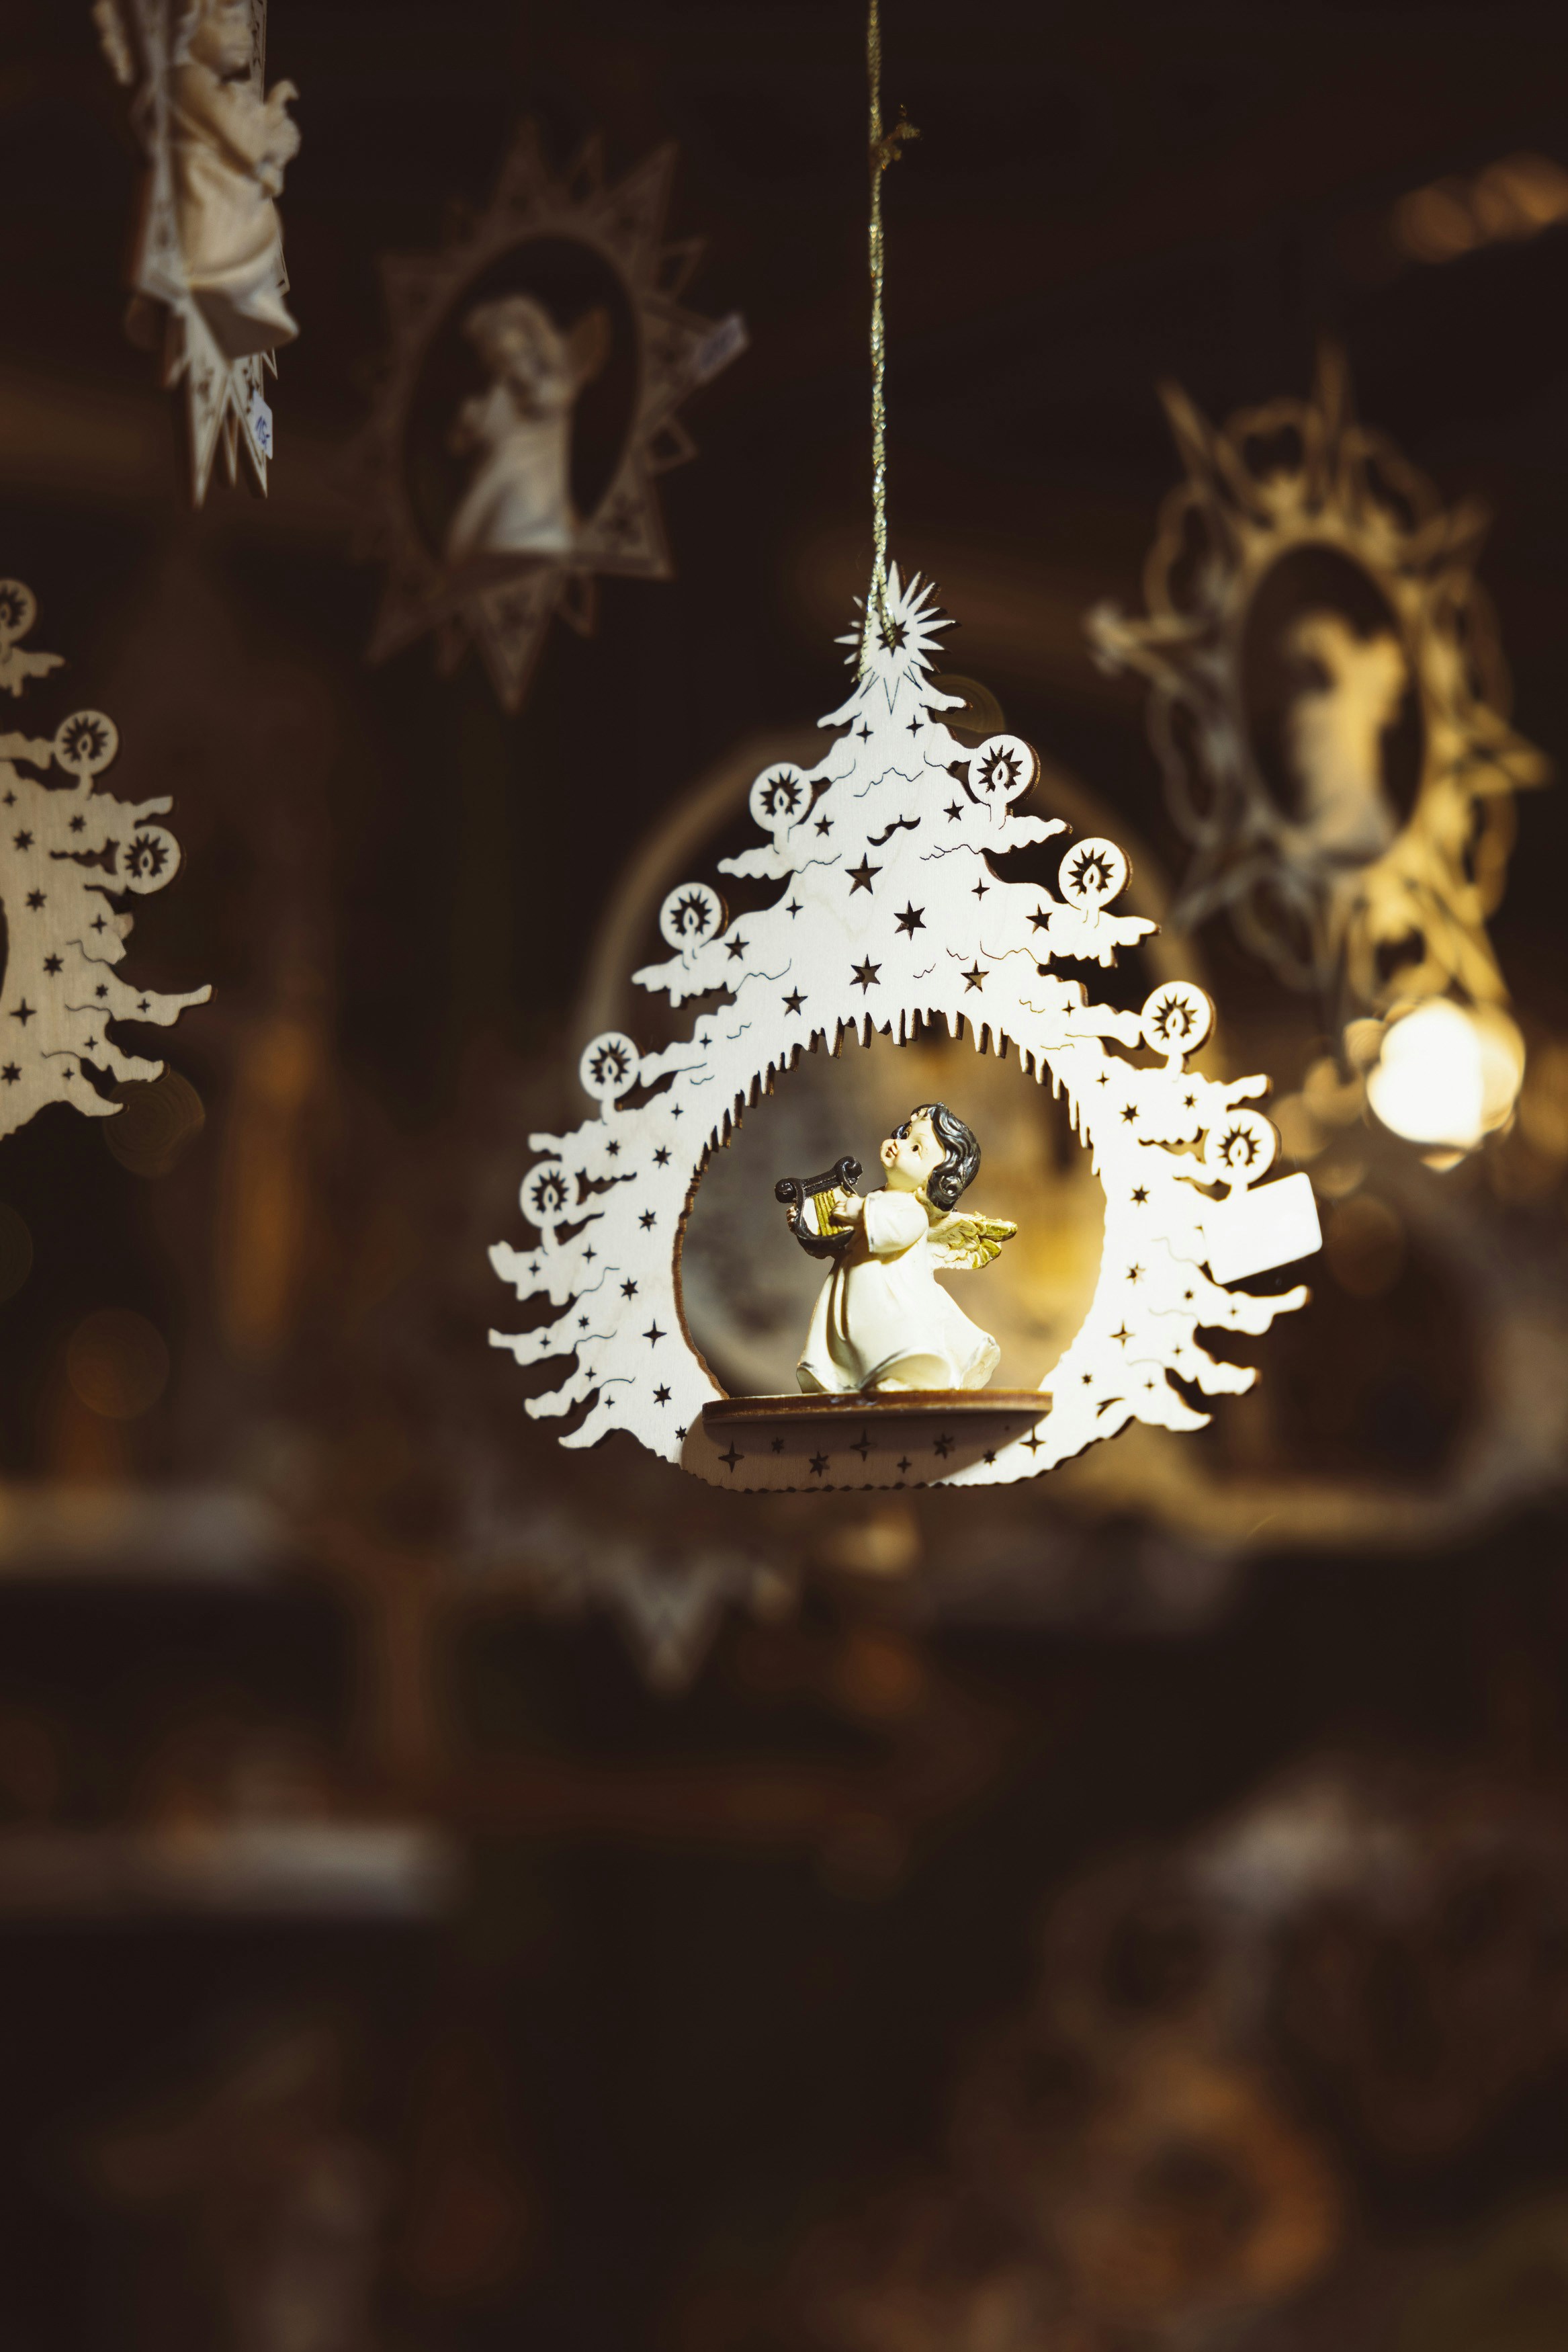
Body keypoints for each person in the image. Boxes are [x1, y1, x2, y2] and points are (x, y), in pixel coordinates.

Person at [795, 1103, 1011, 1394]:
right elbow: (838, 1237)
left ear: (936, 1178)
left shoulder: (914, 1211)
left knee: (880, 1332)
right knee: (851, 1333)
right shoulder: (877, 1198)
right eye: (906, 1135)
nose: (900, 1144)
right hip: (855, 1289)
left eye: (916, 1148)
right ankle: (841, 1375)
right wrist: (806, 1218)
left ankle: (898, 1376)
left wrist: (861, 1211)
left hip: (887, 1294)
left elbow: (893, 1231)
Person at [169, 0, 300, 360]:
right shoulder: (189, 79)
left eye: (245, 26)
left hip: (217, 182)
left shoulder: (208, 84)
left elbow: (248, 143)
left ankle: (237, 292)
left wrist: (272, 127)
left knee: (258, 202)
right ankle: (219, 275)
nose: (244, 37)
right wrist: (274, 141)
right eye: (228, 23)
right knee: (255, 208)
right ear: (190, 29)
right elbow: (246, 144)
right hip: (204, 187)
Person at [445, 296, 609, 566]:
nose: (512, 365)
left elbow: (552, 397)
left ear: (534, 344)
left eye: (519, 353)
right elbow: (458, 444)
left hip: (534, 508)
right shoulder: (498, 396)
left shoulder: (553, 383)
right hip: (495, 494)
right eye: (501, 359)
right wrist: (468, 428)